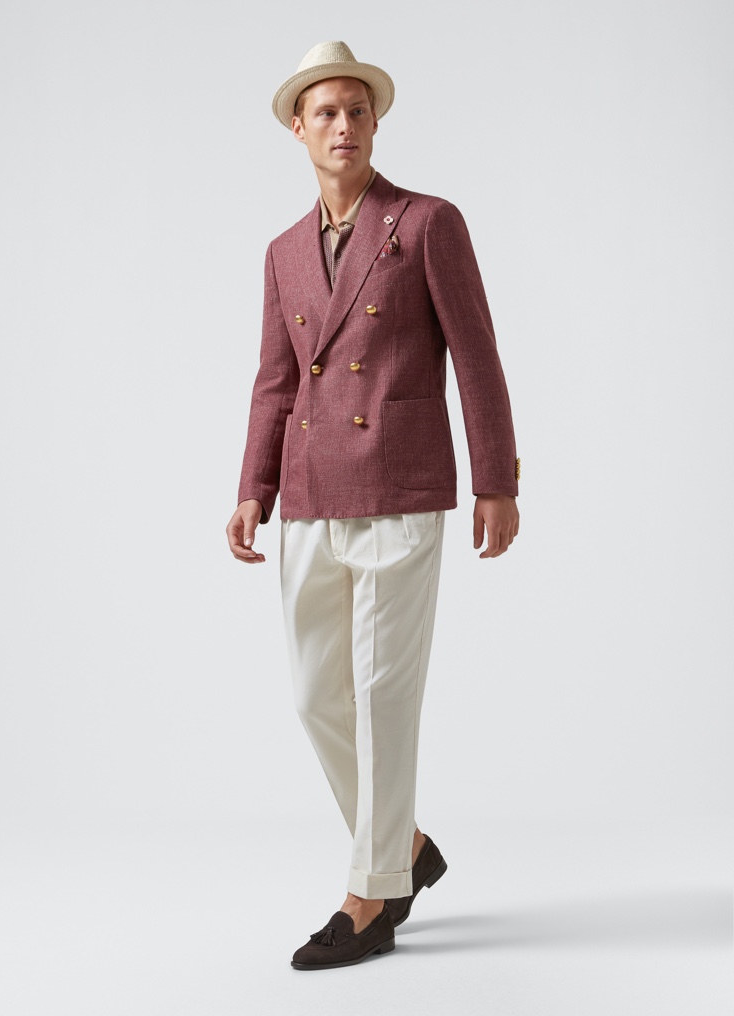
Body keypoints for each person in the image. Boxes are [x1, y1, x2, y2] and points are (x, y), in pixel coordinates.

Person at [225, 40, 520, 970]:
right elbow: (275, 381)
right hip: (312, 493)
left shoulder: (428, 222)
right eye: (326, 112)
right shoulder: (282, 252)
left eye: (358, 110)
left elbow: (476, 354)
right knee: (318, 697)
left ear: (376, 123)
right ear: (299, 129)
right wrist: (253, 487)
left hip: (399, 484)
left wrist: (497, 479)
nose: (344, 125)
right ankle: (406, 847)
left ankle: (371, 893)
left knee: (383, 697)